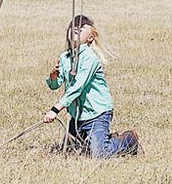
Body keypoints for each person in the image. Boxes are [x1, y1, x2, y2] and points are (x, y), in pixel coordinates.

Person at [43, 15, 139, 158]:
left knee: (99, 155)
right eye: (73, 26)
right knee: (70, 151)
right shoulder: (65, 57)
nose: (76, 28)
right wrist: (53, 76)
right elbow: (55, 85)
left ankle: (128, 140)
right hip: (77, 117)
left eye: (81, 28)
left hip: (97, 114)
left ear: (90, 38)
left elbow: (78, 87)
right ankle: (98, 139)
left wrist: (56, 109)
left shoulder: (90, 58)